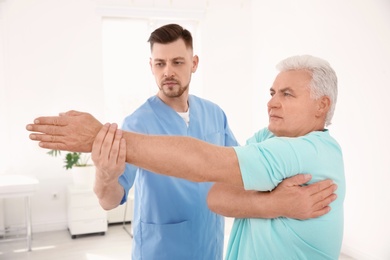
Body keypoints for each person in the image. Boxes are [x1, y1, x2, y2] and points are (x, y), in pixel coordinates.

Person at [26, 54, 342, 259]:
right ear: (150, 66)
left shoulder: (306, 150)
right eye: (272, 93)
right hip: (160, 246)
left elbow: (207, 164)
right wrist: (275, 203)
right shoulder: (268, 137)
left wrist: (97, 135)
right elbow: (218, 196)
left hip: (207, 244)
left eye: (287, 94)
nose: (272, 103)